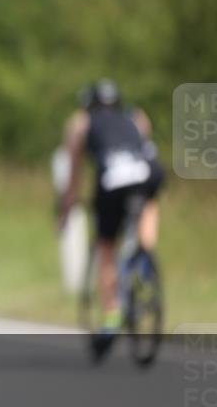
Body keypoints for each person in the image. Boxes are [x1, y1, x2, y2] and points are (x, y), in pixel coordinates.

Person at [58, 79, 164, 357]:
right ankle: (145, 253)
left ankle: (111, 316)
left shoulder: (81, 123)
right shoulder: (136, 115)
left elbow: (74, 175)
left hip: (113, 179)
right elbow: (145, 144)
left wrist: (67, 209)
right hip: (148, 172)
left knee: (106, 246)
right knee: (149, 198)